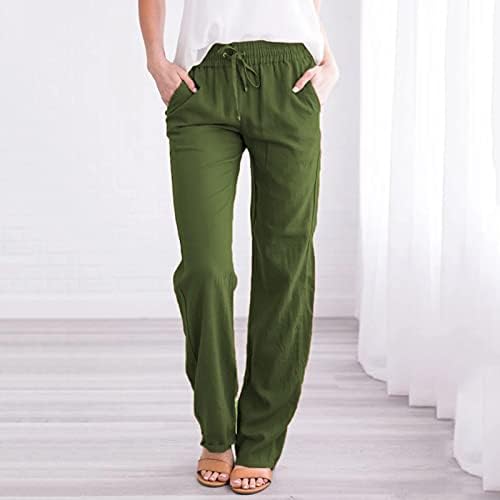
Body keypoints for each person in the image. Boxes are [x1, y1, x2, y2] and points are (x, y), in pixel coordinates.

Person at [138, 0, 339, 494]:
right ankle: (215, 429)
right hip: (205, 81)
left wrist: (328, 59)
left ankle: (262, 440)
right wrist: (156, 59)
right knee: (204, 268)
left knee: (284, 264)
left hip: (290, 79)